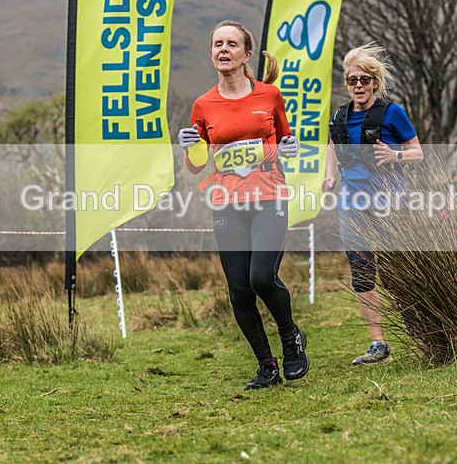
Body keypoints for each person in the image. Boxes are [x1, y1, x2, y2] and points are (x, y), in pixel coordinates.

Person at [177, 20, 308, 390]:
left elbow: (286, 141)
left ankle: (291, 339)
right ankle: (267, 366)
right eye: (217, 44)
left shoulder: (269, 96)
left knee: (261, 278)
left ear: (245, 54)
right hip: (227, 202)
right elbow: (198, 165)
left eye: (231, 44)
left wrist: (291, 148)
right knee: (238, 288)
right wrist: (190, 146)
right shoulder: (203, 105)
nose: (223, 50)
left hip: (269, 196)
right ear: (211, 53)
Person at [322, 43, 423, 365]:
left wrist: (395, 155)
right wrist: (329, 176)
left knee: (397, 269)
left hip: (389, 199)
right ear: (346, 83)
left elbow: (418, 152)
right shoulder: (339, 116)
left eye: (365, 80)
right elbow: (331, 147)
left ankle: (425, 328)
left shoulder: (392, 112)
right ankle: (378, 344)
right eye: (353, 80)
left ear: (375, 83)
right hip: (352, 202)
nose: (359, 86)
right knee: (362, 271)